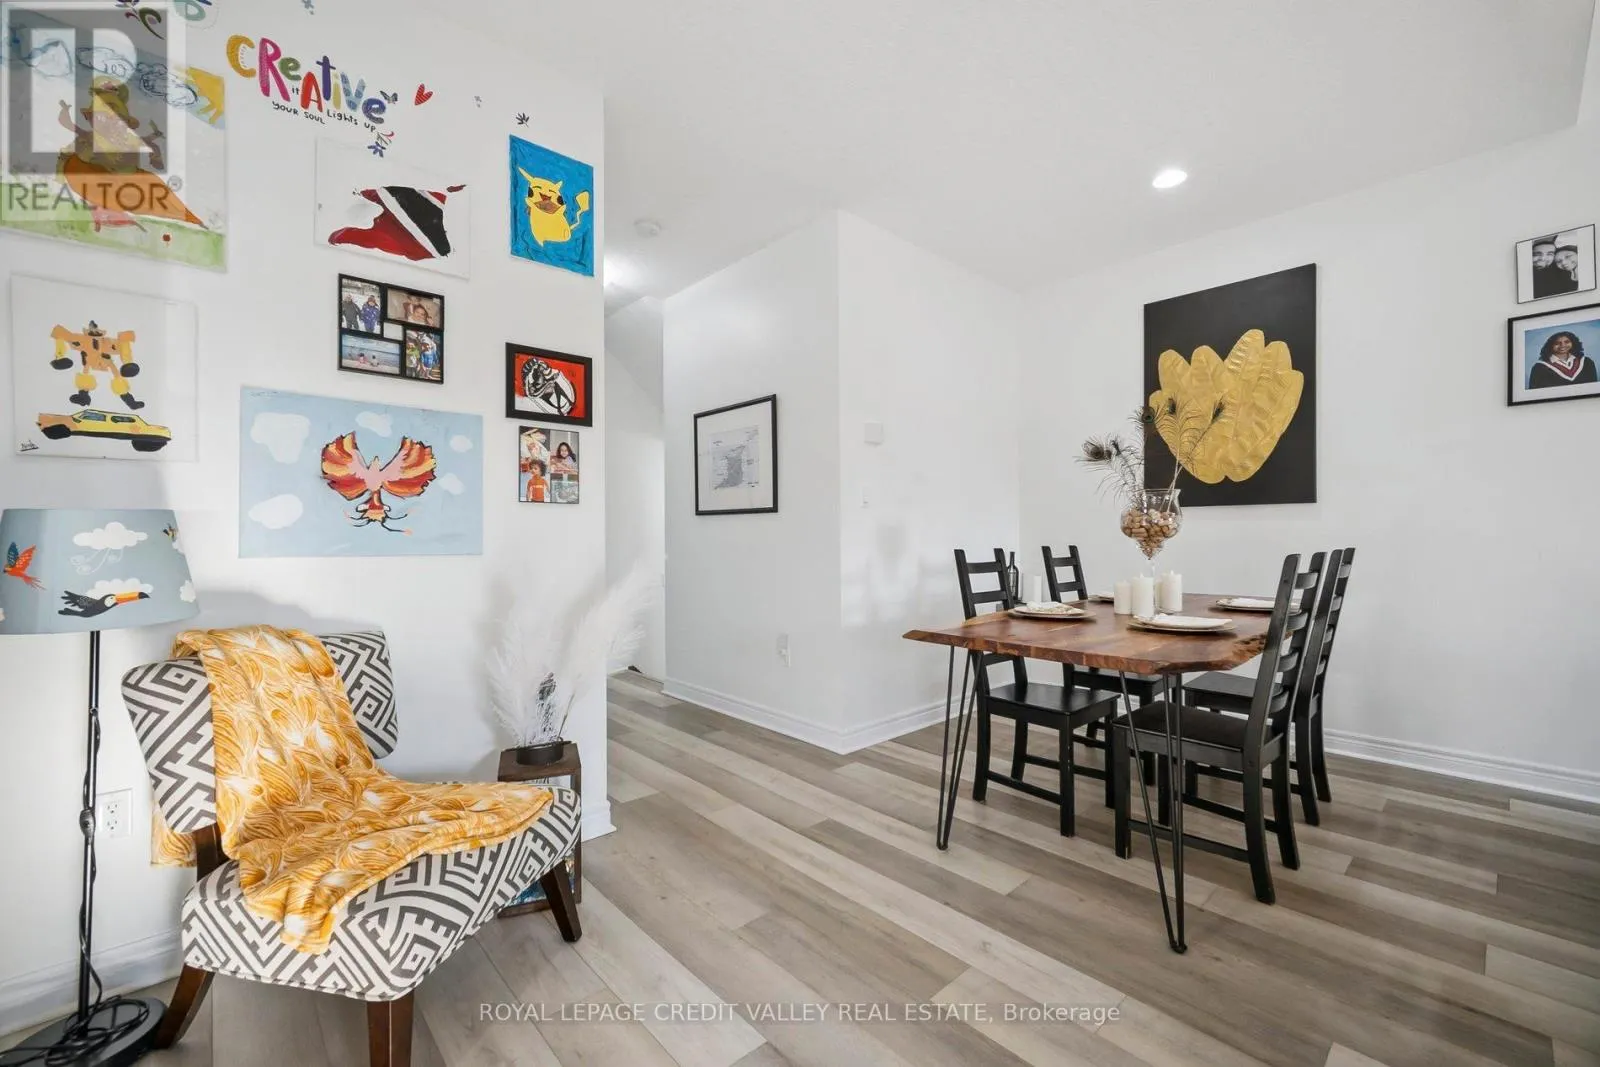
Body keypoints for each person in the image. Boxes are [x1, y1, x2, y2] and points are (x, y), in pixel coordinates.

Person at [1528, 330, 1598, 389]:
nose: (1562, 345)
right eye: (1557, 343)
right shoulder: (1539, 368)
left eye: (1567, 342)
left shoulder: (1586, 362)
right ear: (1550, 346)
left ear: (1573, 343)